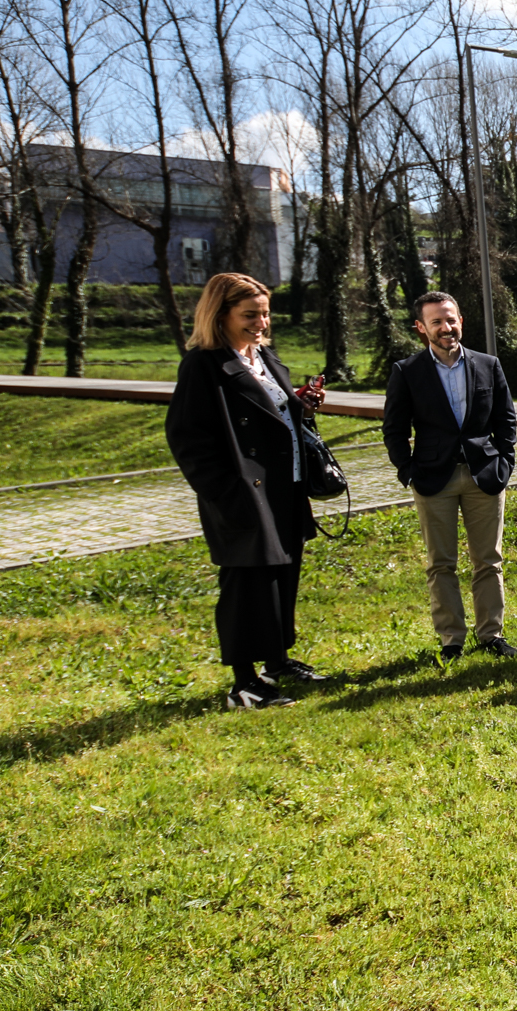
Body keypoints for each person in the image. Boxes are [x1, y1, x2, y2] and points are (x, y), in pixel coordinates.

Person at [166, 272, 329, 710]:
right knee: (247, 582)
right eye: (250, 315)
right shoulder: (205, 365)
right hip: (244, 493)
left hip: (285, 486)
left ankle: (276, 661)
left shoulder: (263, 357)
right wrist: (226, 492)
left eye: (265, 313)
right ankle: (243, 682)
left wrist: (301, 403)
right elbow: (187, 438)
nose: (261, 322)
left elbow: (273, 413)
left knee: (283, 575)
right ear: (220, 315)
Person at [383, 291, 517, 662]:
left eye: (451, 319)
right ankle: (451, 641)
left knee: (488, 560)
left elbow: (505, 420)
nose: (446, 328)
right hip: (432, 479)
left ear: (461, 319)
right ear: (421, 328)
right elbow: (393, 430)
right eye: (437, 322)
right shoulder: (407, 372)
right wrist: (407, 471)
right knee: (440, 563)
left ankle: (491, 634)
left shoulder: (488, 364)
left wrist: (505, 462)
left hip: (484, 476)